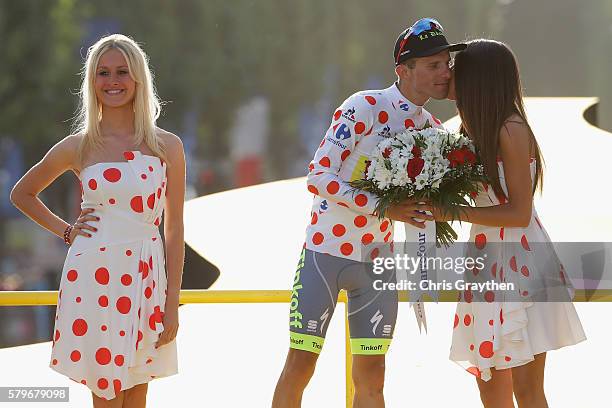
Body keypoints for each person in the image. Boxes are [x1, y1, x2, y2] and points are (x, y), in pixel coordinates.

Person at [272, 18, 465, 408]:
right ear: (403, 70)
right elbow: (318, 175)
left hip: (378, 262)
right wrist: (384, 207)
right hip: (325, 253)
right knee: (301, 366)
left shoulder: (434, 128)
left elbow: (428, 207)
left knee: (373, 374)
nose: (444, 72)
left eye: (447, 63)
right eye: (433, 65)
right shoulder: (364, 106)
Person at [10, 33, 186, 407]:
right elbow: (21, 193)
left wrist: (172, 301)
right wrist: (67, 231)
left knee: (137, 396)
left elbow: (173, 228)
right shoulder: (80, 145)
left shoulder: (168, 146)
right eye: (103, 73)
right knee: (106, 395)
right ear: (92, 82)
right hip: (95, 277)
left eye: (122, 71)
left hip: (147, 277)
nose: (113, 81)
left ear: (138, 77)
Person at [435, 39, 586, 408]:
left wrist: (452, 213)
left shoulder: (511, 128)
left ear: (479, 77)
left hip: (520, 260)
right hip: (487, 260)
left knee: (527, 390)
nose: (449, 74)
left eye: (457, 68)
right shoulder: (471, 128)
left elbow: (519, 213)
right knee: (489, 385)